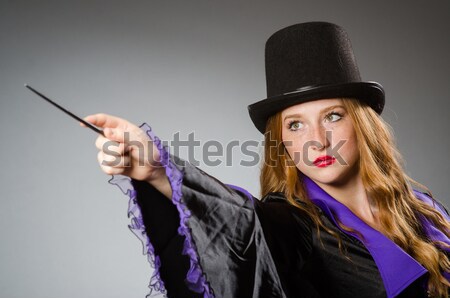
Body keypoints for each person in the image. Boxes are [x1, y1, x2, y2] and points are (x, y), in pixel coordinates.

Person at [81, 22, 450, 297]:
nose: (317, 141)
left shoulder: (426, 210)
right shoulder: (292, 224)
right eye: (295, 125)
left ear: (362, 125)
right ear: (282, 142)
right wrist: (159, 169)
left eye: (333, 116)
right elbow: (240, 222)